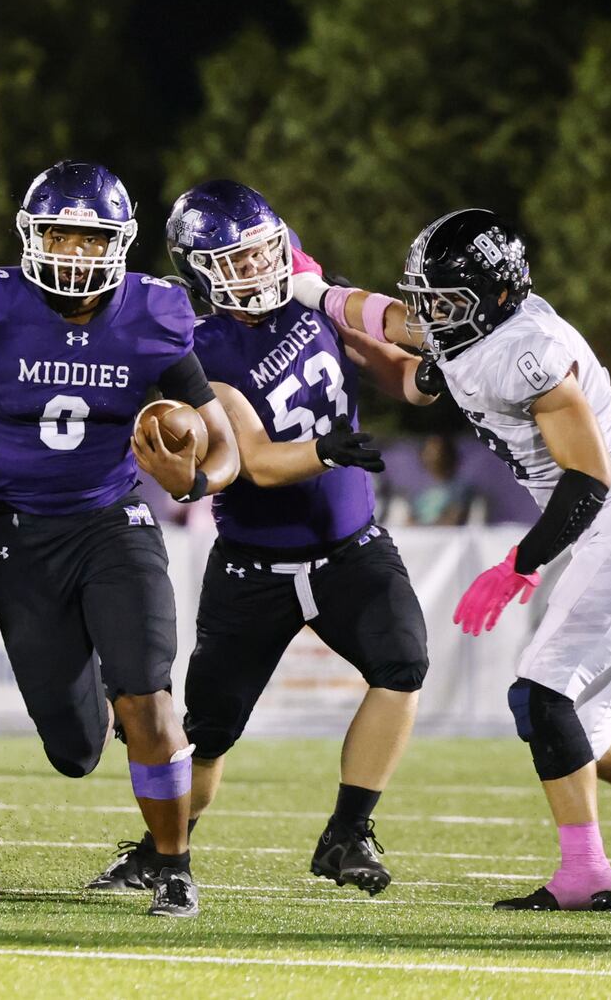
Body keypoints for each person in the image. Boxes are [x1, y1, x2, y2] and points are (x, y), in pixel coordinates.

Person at [308, 207, 611, 909]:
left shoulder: (529, 351)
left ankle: (585, 873)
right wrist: (308, 289)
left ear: (495, 295)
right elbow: (391, 319)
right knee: (579, 728)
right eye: (427, 295)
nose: (429, 312)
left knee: (542, 696)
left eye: (445, 299)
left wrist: (520, 561)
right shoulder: (474, 325)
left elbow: (589, 477)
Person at [88, 180, 435, 897]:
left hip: (350, 545)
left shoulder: (313, 299)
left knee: (402, 665)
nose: (256, 269)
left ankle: (347, 833)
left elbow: (398, 375)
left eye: (262, 251)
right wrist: (329, 451)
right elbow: (256, 459)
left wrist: (439, 370)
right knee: (208, 733)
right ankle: (161, 848)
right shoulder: (204, 349)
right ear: (202, 270)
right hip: (256, 563)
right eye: (236, 260)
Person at [0, 161, 241, 917]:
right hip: (22, 530)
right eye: (58, 236)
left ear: (118, 242)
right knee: (73, 751)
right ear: (33, 238)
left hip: (112, 521)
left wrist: (194, 483)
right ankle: (106, 687)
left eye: (88, 237)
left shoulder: (151, 317)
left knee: (148, 694)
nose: (72, 252)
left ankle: (173, 866)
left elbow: (227, 446)